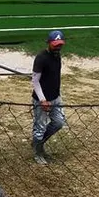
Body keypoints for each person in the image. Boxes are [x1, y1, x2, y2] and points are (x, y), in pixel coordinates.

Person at [32, 30, 67, 165]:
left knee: (59, 122)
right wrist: (42, 99)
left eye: (60, 44)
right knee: (39, 127)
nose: (58, 47)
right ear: (49, 43)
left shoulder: (58, 56)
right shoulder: (41, 58)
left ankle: (38, 143)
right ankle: (38, 152)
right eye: (55, 44)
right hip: (41, 100)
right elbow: (35, 81)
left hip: (55, 97)